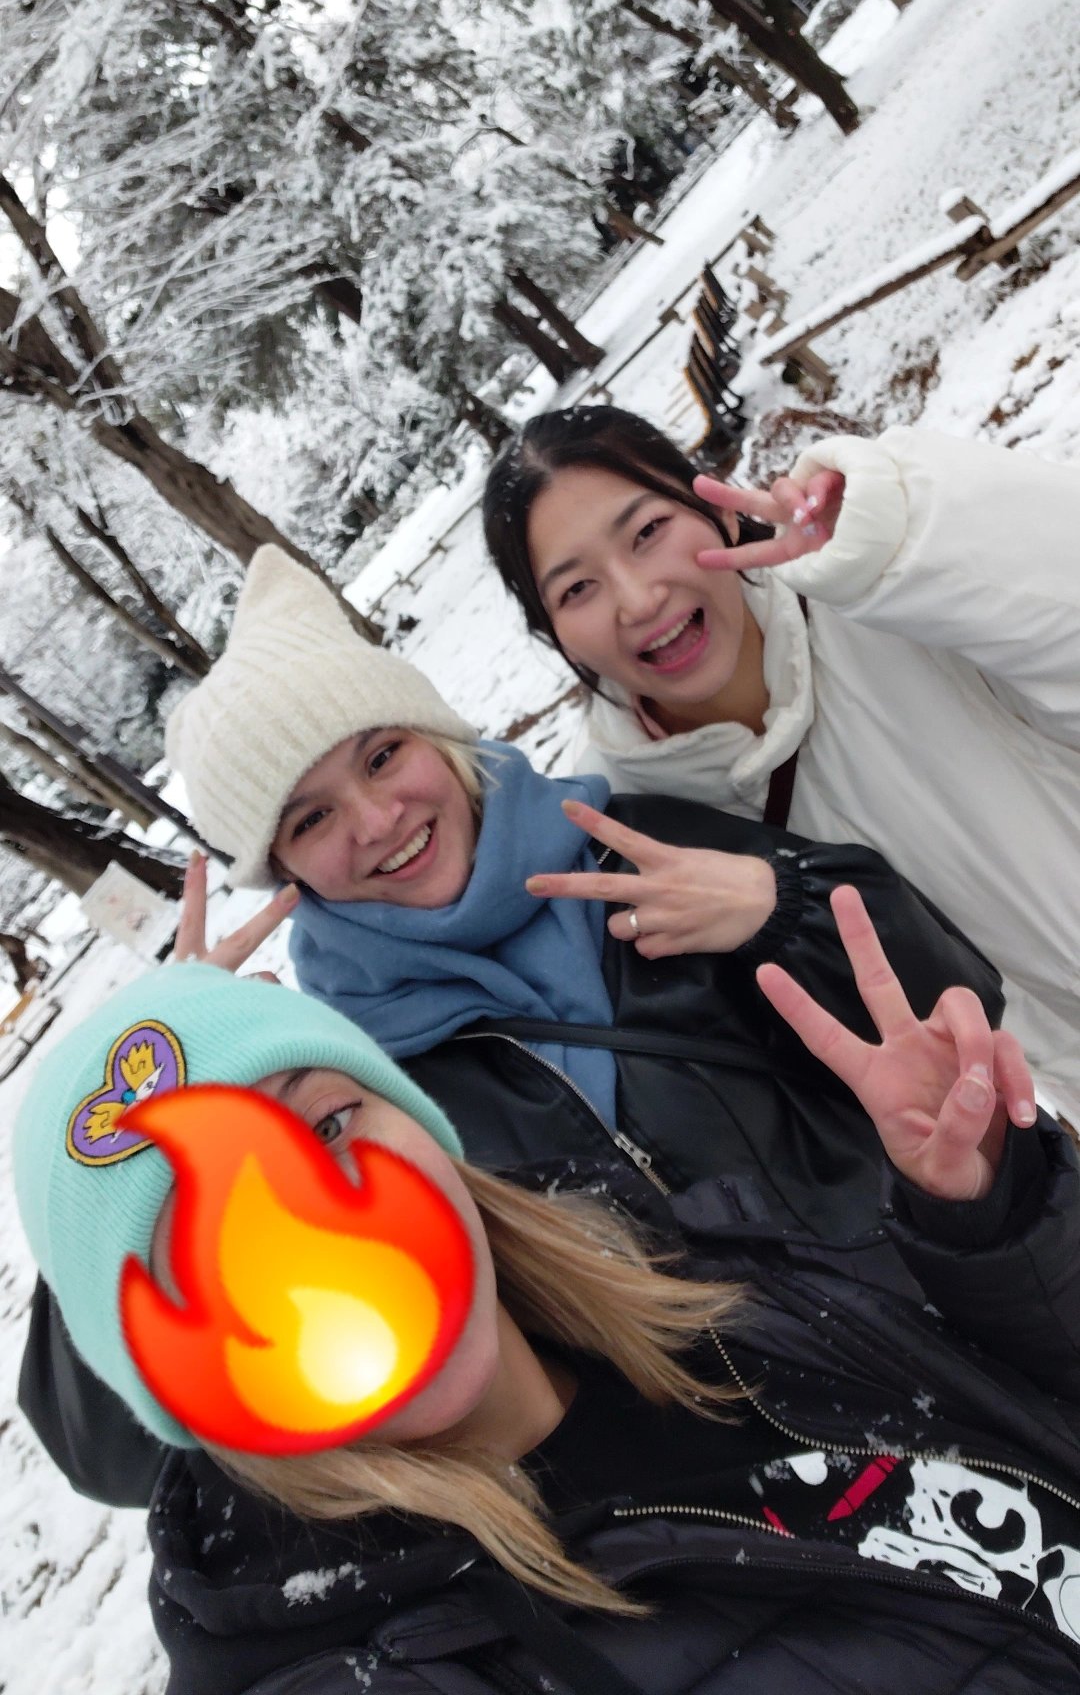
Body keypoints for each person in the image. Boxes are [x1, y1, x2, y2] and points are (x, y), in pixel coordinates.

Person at [18, 543, 1008, 1508]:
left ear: (436, 735)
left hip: (967, 1344)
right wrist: (147, 1098)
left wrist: (781, 906)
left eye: (383, 755)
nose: (376, 819)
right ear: (282, 869)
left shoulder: (645, 851)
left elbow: (957, 996)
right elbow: (117, 1461)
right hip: (761, 1509)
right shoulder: (342, 1097)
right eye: (310, 818)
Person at [13, 913, 1080, 1694]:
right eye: (211, 1247)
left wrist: (995, 1223)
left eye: (329, 1126)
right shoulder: (375, 1664)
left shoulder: (689, 1267)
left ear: (422, 1123)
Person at [482, 405, 1080, 1101]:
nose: (638, 600)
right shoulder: (629, 833)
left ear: (719, 509)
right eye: (577, 588)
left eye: (648, 531)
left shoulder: (881, 597)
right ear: (553, 634)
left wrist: (903, 540)